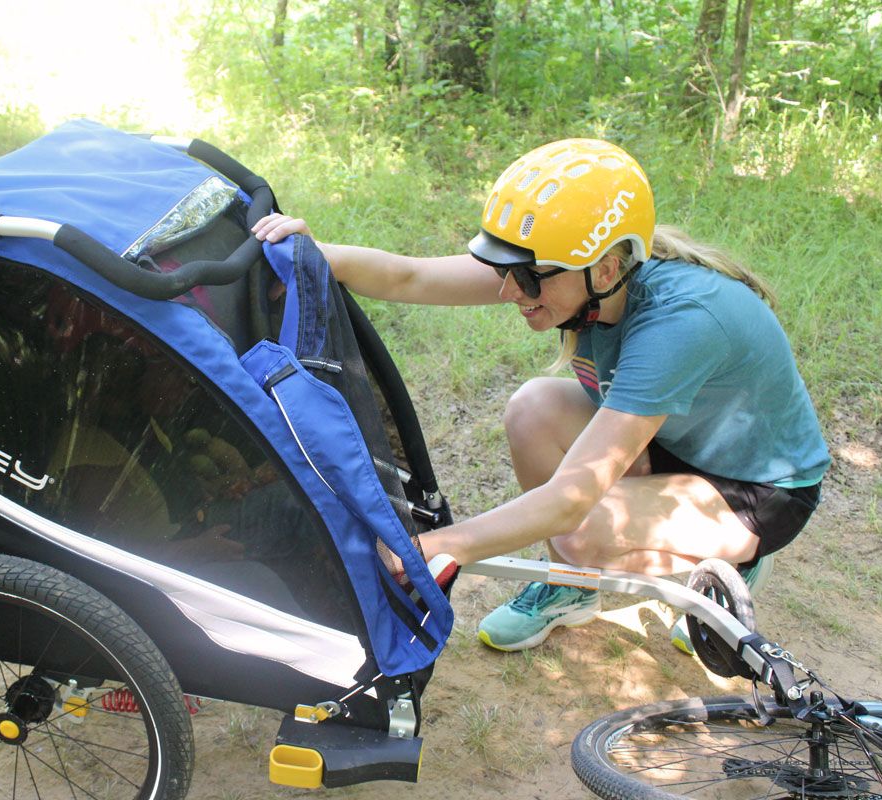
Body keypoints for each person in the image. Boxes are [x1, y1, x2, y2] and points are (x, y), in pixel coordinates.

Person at [251, 138, 829, 653]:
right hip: (675, 441)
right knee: (533, 408)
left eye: (526, 277)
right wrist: (316, 255)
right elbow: (412, 277)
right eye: (502, 268)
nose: (509, 290)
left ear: (606, 270)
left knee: (579, 529)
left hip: (759, 489)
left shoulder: (679, 324)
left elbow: (569, 500)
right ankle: (571, 588)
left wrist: (435, 546)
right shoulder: (565, 267)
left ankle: (735, 555)